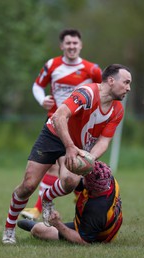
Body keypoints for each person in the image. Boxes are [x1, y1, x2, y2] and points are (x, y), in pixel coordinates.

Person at [2, 64, 132, 245]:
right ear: (111, 81)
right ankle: (9, 229)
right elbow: (59, 116)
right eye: (126, 82)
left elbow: (104, 141)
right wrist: (69, 146)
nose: (128, 88)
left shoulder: (117, 109)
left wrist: (90, 159)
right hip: (54, 135)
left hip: (77, 146)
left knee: (70, 181)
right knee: (28, 185)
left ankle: (47, 197)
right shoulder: (87, 93)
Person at [21, 28, 102, 221]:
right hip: (55, 122)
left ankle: (81, 200)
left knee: (76, 169)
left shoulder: (93, 70)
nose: (72, 46)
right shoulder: (52, 65)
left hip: (80, 127)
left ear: (80, 45)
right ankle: (38, 208)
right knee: (53, 168)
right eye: (68, 43)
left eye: (75, 43)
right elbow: (37, 85)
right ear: (62, 45)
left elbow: (103, 92)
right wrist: (42, 100)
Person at [17, 161, 123, 244]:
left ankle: (37, 227)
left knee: (38, 230)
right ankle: (41, 225)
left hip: (98, 235)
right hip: (104, 225)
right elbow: (76, 183)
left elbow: (83, 241)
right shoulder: (107, 179)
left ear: (92, 187)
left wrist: (58, 224)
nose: (82, 177)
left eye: (85, 177)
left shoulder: (96, 208)